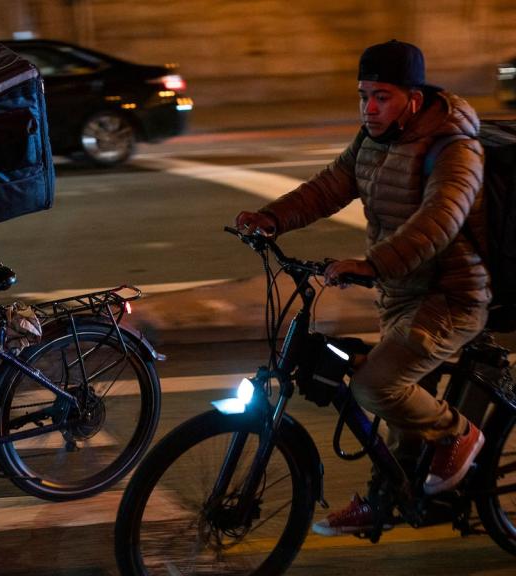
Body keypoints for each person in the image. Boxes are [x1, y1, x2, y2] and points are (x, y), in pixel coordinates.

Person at [236, 40, 490, 536]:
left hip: (451, 296)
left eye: (383, 97)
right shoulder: (373, 139)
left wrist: (372, 264)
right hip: (400, 292)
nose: (369, 108)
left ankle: (460, 434)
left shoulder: (454, 146)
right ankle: (389, 497)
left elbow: (439, 221)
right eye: (363, 95)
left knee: (376, 385)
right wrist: (271, 219)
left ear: (413, 99)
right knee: (399, 404)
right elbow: (332, 184)